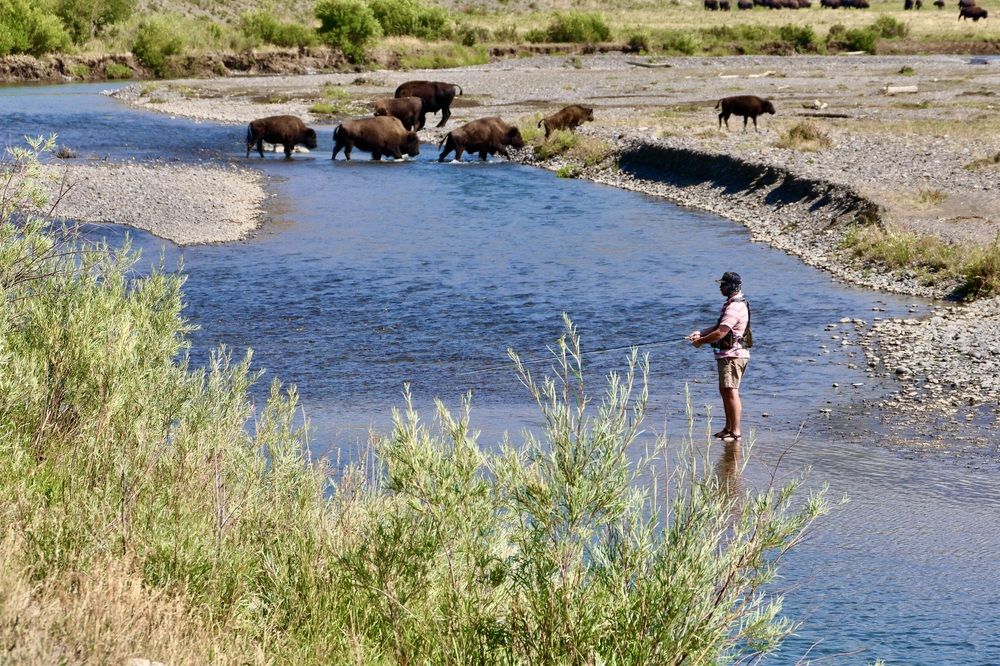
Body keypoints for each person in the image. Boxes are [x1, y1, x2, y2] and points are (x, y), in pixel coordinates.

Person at [687, 271, 751, 443]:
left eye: (723, 284)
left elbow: (720, 334)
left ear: (731, 286)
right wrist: (700, 333)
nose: (720, 287)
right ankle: (728, 428)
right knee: (725, 391)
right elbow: (718, 326)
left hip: (733, 356)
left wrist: (701, 342)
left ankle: (735, 432)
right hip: (729, 356)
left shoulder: (735, 307)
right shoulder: (732, 304)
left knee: (731, 392)